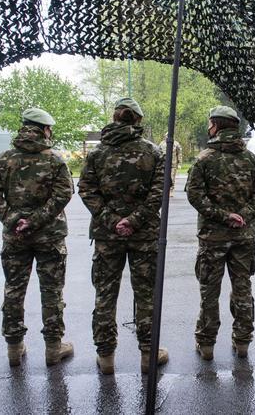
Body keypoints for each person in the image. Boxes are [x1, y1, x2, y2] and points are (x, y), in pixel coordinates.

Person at [78, 97, 169, 375]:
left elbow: (86, 190)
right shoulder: (152, 152)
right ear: (137, 120)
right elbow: (160, 191)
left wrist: (112, 221)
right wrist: (134, 219)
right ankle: (147, 354)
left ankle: (106, 357)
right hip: (143, 234)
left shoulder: (97, 154)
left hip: (108, 236)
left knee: (105, 294)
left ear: (115, 118)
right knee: (146, 295)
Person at [0, 107, 74, 367]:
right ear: (45, 129)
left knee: (14, 290)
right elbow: (63, 194)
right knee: (52, 292)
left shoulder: (2, 159)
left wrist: (14, 220)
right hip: (50, 237)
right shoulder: (55, 160)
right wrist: (36, 221)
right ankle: (53, 349)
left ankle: (14, 348)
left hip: (15, 238)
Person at [186, 106, 255, 360]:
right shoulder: (253, 161)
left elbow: (194, 194)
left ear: (216, 125)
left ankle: (207, 344)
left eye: (210, 123)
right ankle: (243, 342)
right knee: (242, 288)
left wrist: (223, 216)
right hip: (244, 237)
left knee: (209, 291)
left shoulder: (205, 159)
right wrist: (243, 215)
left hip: (213, 237)